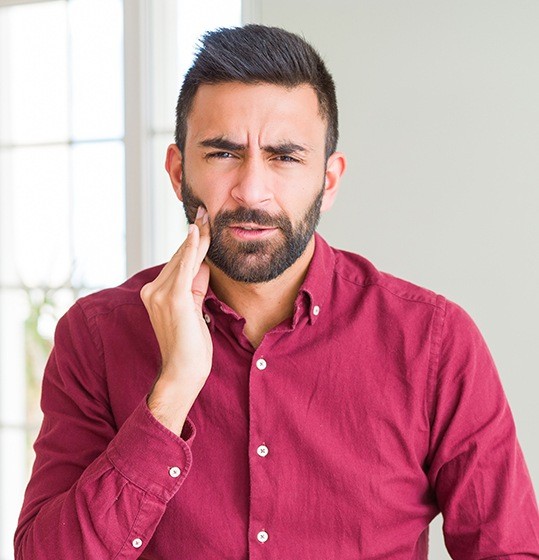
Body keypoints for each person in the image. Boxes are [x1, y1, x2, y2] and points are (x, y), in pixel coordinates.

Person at [15, 24, 539, 560]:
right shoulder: (96, 336)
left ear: (328, 181)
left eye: (285, 157)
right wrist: (170, 394)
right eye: (222, 153)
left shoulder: (435, 342)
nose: (252, 190)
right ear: (178, 172)